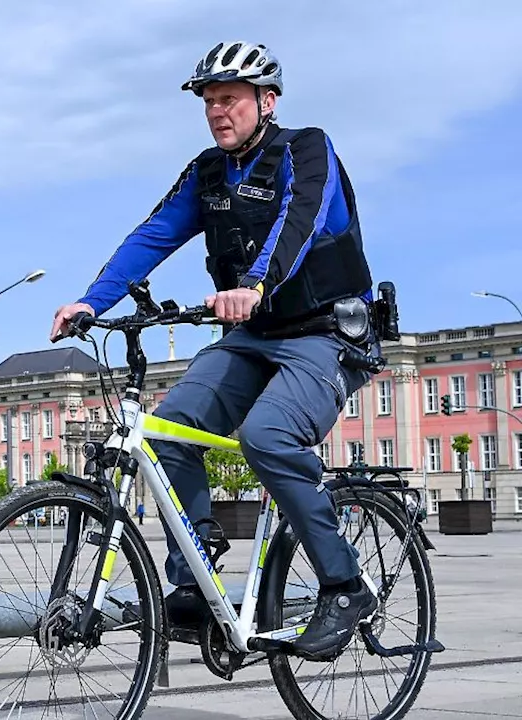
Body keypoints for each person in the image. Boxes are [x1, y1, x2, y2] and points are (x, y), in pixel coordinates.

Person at [50, 40, 380, 662]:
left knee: (268, 438)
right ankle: (196, 578)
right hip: (253, 338)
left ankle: (344, 584)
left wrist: (254, 285)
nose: (217, 111)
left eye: (229, 99)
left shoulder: (307, 151)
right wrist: (90, 301)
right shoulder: (207, 172)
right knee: (167, 432)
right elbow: (151, 234)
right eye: (209, 102)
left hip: (327, 335)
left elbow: (298, 221)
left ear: (266, 101)